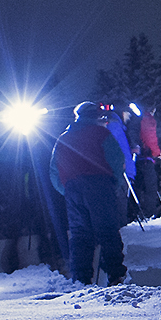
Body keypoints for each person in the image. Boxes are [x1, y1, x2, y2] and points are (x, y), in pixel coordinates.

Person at [49, 101, 129, 285]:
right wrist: (114, 183)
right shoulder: (101, 133)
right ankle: (116, 274)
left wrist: (67, 191)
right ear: (95, 116)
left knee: (79, 234)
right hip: (99, 184)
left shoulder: (63, 138)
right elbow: (117, 159)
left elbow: (54, 171)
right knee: (107, 229)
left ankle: (81, 278)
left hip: (73, 189)